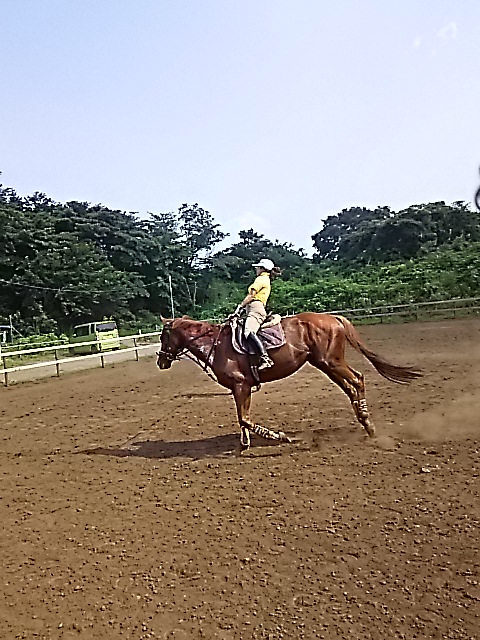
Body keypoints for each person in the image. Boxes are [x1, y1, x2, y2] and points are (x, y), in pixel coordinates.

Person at [231, 258, 279, 370]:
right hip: (253, 308)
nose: (256, 269)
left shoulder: (260, 279)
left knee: (248, 332)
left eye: (257, 267)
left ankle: (265, 358)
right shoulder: (265, 279)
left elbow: (251, 296)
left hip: (256, 309)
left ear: (262, 269)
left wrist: (239, 307)